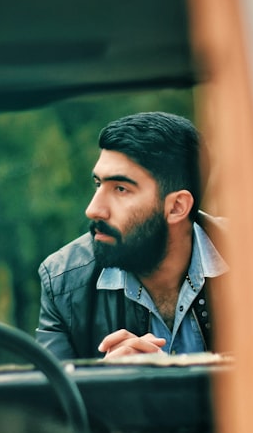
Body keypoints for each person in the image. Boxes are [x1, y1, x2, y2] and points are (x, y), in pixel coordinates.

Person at [36, 111, 227, 360]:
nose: (93, 209)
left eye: (121, 189)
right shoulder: (62, 284)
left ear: (177, 207)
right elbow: (51, 397)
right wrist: (104, 386)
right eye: (98, 184)